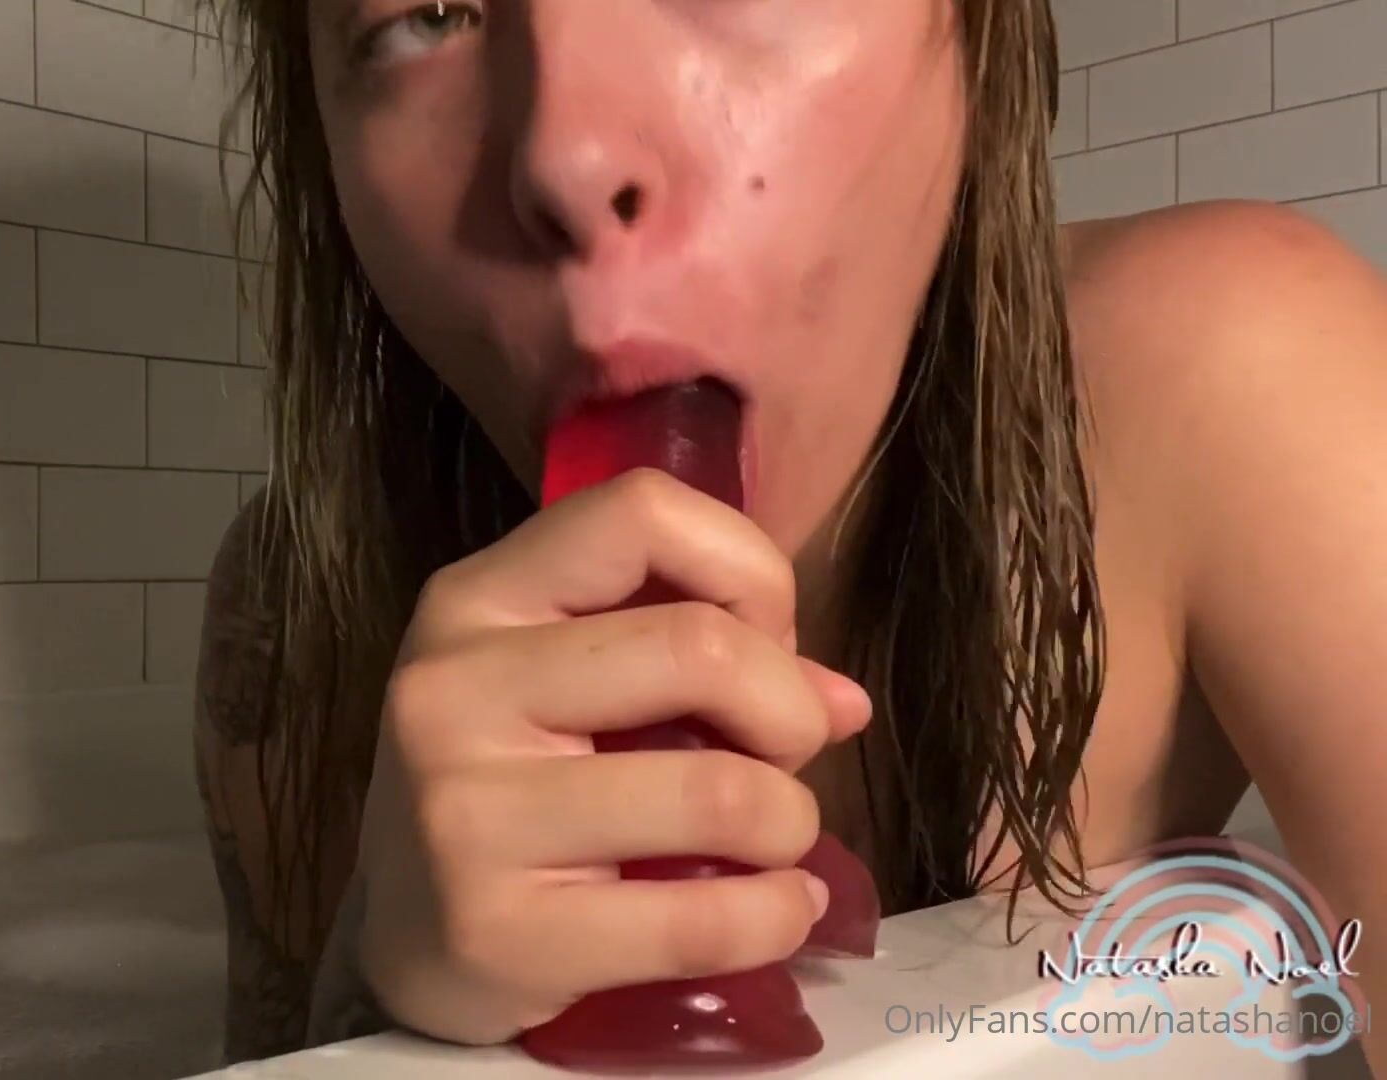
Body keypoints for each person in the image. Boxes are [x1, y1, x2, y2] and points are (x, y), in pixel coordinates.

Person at [190, 0, 1387, 1070]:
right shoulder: (296, 622)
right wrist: (381, 982)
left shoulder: (1231, 370)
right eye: (426, 12)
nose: (565, 156)